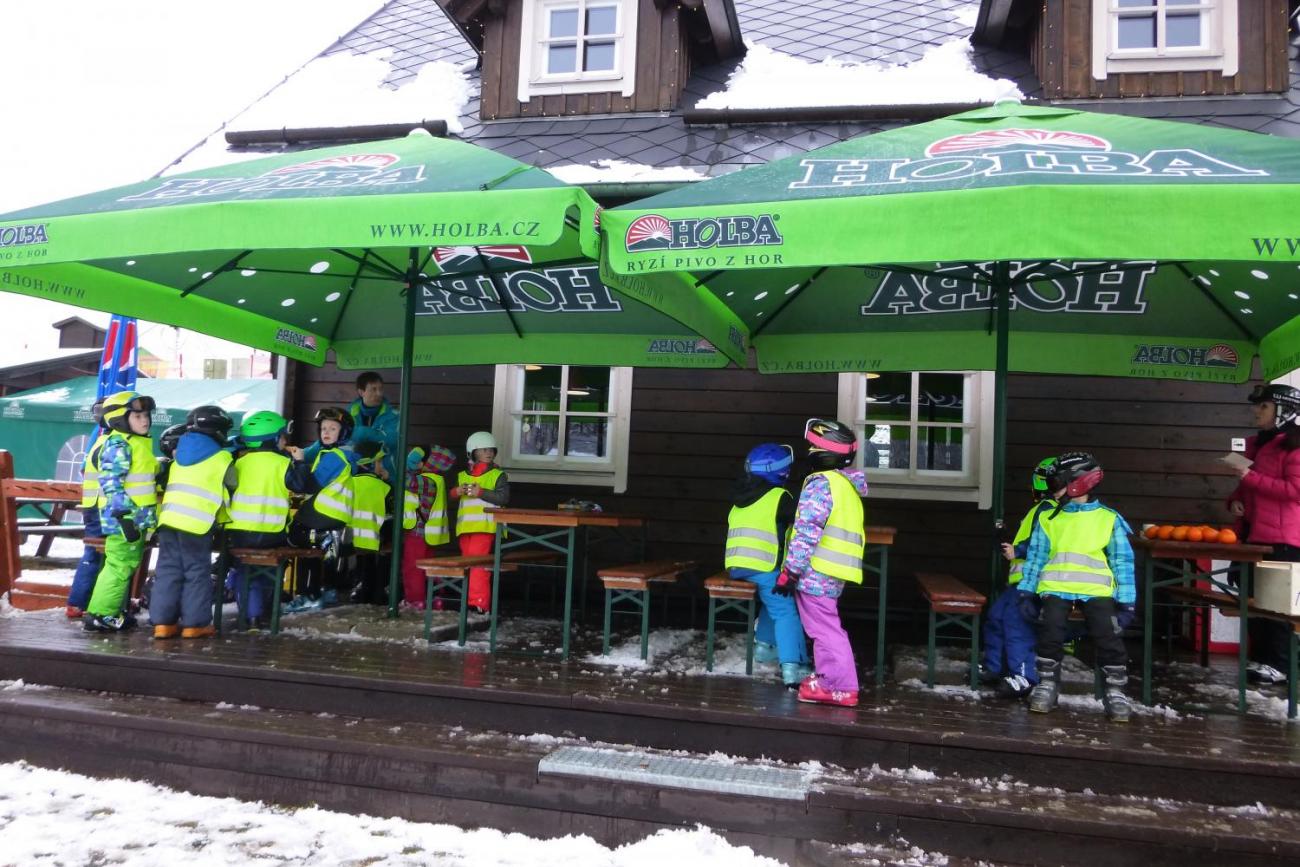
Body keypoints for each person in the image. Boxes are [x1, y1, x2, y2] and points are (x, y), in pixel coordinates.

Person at [1017, 452, 1136, 722]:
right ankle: (1047, 684)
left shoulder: (1108, 519)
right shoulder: (1049, 519)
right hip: (1055, 588)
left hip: (1097, 591)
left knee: (1108, 633)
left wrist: (1127, 601)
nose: (1052, 492)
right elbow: (1036, 557)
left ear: (1077, 484)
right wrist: (1025, 591)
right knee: (1050, 630)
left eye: (1056, 485)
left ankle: (1115, 691)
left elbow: (1122, 561)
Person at [774, 418, 868, 708]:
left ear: (824, 452)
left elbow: (806, 532)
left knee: (824, 629)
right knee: (826, 626)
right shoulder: (845, 485)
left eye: (813, 445)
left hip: (817, 569)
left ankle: (839, 685)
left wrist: (790, 571)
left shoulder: (821, 485)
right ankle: (831, 677)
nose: (810, 449)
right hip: (833, 569)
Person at [1226, 383, 1300, 685]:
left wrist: (1251, 478)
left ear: (1283, 411)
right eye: (1258, 406)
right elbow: (1244, 488)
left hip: (1283, 540)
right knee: (1254, 604)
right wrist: (1234, 502)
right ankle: (1261, 660)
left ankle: (1280, 665)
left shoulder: (1294, 446)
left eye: (1265, 406)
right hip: (1252, 536)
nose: (1257, 411)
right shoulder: (1255, 444)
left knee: (1277, 607)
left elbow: (1295, 490)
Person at [726, 442, 811, 688]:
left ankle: (764, 648)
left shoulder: (739, 498)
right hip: (763, 565)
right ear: (781, 472)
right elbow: (803, 524)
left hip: (736, 565)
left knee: (772, 600)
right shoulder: (780, 497)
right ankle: (793, 669)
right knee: (785, 609)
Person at [150, 406, 236, 639]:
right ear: (218, 431)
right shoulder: (222, 458)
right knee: (196, 572)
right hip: (197, 524)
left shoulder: (179, 454)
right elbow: (233, 484)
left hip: (168, 521)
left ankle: (163, 624)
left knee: (168, 571)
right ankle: (194, 624)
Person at [225, 411, 313, 630]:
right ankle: (264, 612)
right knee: (272, 568)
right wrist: (300, 462)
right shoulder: (282, 463)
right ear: (273, 439)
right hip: (271, 535)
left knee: (245, 569)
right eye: (283, 436)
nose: (286, 440)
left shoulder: (239, 463)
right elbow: (301, 485)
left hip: (239, 534)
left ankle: (249, 611)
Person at [980, 457, 1057, 699]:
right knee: (996, 617)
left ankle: (1025, 676)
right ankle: (995, 666)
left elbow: (1042, 542)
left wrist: (1019, 550)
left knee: (1017, 626)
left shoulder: (1050, 511)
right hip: (1019, 581)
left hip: (1034, 582)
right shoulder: (1040, 509)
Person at [82, 391, 159, 633]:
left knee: (124, 565)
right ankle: (101, 614)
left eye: (146, 415)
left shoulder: (137, 443)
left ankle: (111, 610)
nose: (144, 420)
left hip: (136, 519)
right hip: (125, 520)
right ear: (119, 419)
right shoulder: (119, 444)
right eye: (136, 416)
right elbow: (111, 482)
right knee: (119, 565)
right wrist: (124, 516)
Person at [284, 407, 355, 610]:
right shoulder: (335, 454)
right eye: (323, 428)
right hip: (330, 515)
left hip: (323, 513)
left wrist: (299, 463)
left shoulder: (334, 457)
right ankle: (326, 589)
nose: (326, 432)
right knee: (308, 546)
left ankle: (309, 595)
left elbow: (311, 485)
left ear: (343, 433)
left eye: (333, 428)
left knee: (296, 538)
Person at [450, 431, 509, 613]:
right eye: (484, 449)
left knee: (478, 567)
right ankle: (471, 602)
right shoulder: (462, 475)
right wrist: (456, 492)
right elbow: (452, 495)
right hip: (465, 529)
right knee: (468, 566)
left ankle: (479, 605)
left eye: (491, 449)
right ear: (473, 452)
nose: (489, 452)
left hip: (486, 528)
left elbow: (503, 498)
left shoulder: (498, 474)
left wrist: (481, 492)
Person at [65, 400, 108, 619]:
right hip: (105, 505)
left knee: (94, 553)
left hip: (92, 502)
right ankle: (91, 603)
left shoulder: (98, 432)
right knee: (108, 556)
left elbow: (83, 469)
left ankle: (79, 602)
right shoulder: (110, 438)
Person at [400, 443, 457, 608]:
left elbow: (405, 481)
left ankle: (415, 600)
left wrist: (407, 465)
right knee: (426, 566)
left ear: (426, 464)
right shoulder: (436, 480)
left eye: (418, 460)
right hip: (430, 534)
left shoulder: (426, 481)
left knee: (413, 567)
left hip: (419, 532)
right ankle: (434, 597)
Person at [348, 441, 393, 605]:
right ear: (369, 464)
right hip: (377, 541)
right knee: (384, 559)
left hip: (351, 543)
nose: (381, 466)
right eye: (378, 462)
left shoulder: (349, 483)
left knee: (361, 567)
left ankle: (358, 591)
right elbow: (392, 514)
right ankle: (379, 593)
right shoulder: (384, 487)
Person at [349, 372, 400, 481]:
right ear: (361, 392)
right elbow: (338, 438)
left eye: (381, 389)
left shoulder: (393, 415)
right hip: (356, 475)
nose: (379, 393)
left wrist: (363, 433)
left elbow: (393, 440)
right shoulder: (349, 414)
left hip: (387, 476)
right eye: (373, 389)